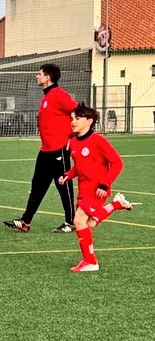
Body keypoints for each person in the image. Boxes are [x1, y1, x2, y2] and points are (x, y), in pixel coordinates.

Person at [57, 103, 134, 272]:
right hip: (83, 189)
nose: (73, 121)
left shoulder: (98, 141)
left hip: (97, 188)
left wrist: (105, 183)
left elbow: (117, 163)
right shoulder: (74, 142)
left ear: (89, 121)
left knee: (78, 221)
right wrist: (68, 175)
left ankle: (90, 261)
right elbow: (79, 166)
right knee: (88, 223)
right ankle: (116, 204)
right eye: (72, 118)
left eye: (77, 118)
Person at [4, 63, 77, 233]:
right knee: (37, 186)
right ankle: (25, 221)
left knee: (63, 186)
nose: (37, 76)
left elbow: (78, 112)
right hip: (45, 151)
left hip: (59, 150)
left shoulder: (59, 95)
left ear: (48, 77)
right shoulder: (47, 96)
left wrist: (72, 137)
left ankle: (71, 222)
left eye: (39, 74)